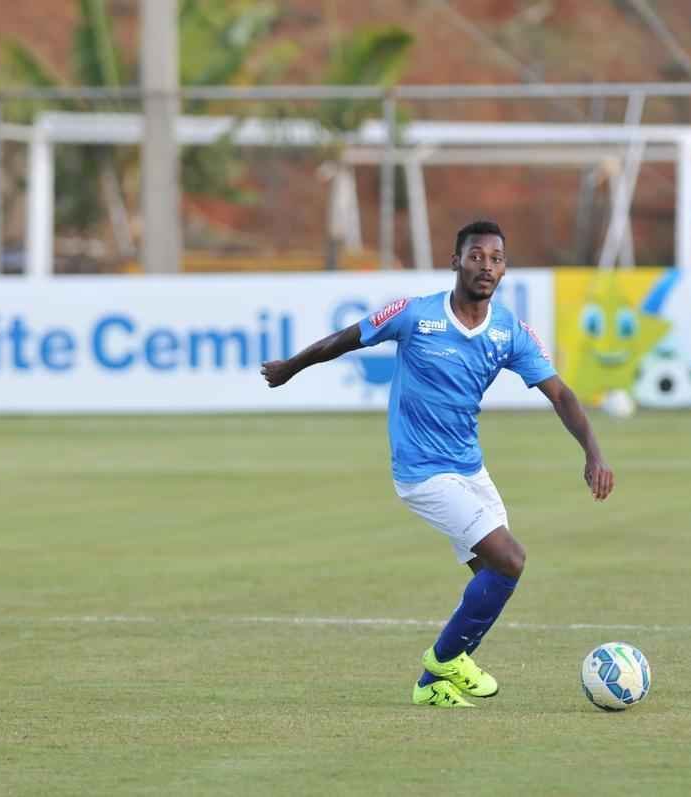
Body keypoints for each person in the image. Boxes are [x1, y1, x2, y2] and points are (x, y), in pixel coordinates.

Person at [261, 220, 614, 707]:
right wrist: (290, 367)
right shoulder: (414, 314)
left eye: (496, 258)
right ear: (456, 261)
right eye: (476, 256)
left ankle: (432, 687)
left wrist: (593, 451)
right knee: (509, 558)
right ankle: (445, 659)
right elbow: (346, 339)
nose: (486, 266)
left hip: (469, 468)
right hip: (421, 472)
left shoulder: (509, 331)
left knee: (495, 578)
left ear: (504, 268)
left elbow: (562, 395)